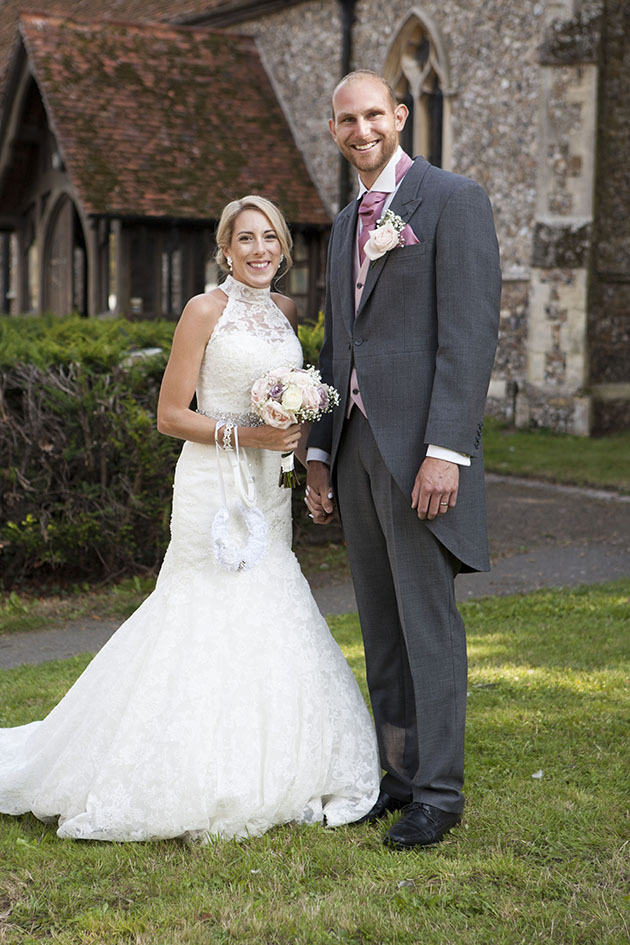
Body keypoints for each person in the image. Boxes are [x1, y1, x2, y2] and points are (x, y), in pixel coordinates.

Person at [0, 195, 380, 842]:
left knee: (270, 596)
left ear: (284, 250)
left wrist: (289, 433)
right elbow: (170, 414)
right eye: (246, 239)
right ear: (225, 249)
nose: (260, 251)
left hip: (268, 485)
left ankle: (282, 760)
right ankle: (188, 767)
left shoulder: (287, 312)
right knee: (202, 604)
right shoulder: (204, 310)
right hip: (213, 480)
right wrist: (247, 436)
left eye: (271, 239)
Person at [306, 71, 501, 849]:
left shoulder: (453, 200)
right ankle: (398, 774)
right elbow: (336, 344)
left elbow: (469, 335)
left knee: (427, 624)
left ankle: (441, 793)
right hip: (354, 449)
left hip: (420, 451)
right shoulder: (345, 218)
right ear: (334, 130)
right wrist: (318, 452)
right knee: (381, 626)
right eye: (347, 119)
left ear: (401, 116)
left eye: (374, 115)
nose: (362, 129)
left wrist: (445, 451)